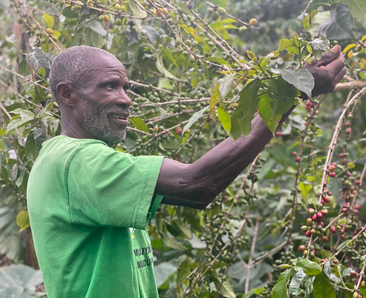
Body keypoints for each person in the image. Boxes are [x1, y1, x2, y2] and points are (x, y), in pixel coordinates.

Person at [27, 45, 346, 297]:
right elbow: (198, 182)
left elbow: (195, 196)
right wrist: (291, 91)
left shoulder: (66, 160)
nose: (126, 100)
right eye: (110, 86)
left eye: (126, 87)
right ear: (67, 94)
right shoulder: (76, 161)